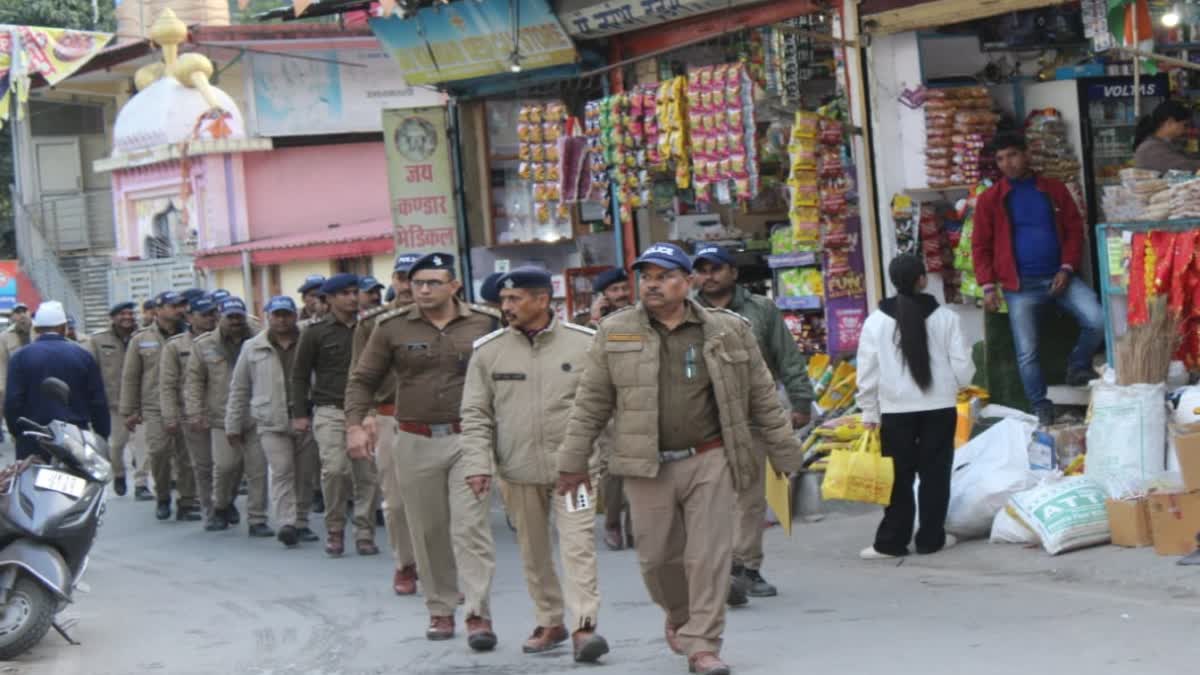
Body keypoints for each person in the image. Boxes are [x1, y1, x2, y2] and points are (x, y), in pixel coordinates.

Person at [555, 243, 805, 675]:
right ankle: (679, 613)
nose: (652, 284)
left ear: (687, 283)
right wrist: (572, 461)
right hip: (644, 463)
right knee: (656, 558)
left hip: (709, 457)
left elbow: (761, 395)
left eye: (664, 275)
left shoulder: (727, 329)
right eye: (646, 276)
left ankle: (703, 644)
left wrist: (786, 453)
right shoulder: (616, 331)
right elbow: (591, 401)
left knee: (708, 556)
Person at [345, 252, 501, 649]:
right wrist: (354, 425)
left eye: (434, 282)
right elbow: (363, 379)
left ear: (455, 285)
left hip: (470, 437)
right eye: (418, 283)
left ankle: (478, 613)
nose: (425, 290)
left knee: (470, 528)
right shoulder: (390, 327)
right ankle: (441, 609)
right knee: (428, 530)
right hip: (412, 438)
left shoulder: (486, 322)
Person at [459, 267, 609, 663]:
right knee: (534, 551)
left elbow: (606, 406)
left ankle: (584, 627)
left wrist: (605, 457)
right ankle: (550, 621)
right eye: (503, 300)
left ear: (543, 300)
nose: (505, 306)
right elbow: (475, 414)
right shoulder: (488, 352)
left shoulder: (586, 345)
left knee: (578, 547)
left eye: (515, 299)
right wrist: (478, 464)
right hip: (518, 471)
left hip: (575, 472)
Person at [692, 244, 813, 601]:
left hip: (753, 415)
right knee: (711, 496)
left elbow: (786, 356)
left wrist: (801, 399)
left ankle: (748, 567)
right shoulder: (685, 313)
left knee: (750, 495)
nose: (709, 275)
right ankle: (720, 566)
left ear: (733, 272)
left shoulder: (761, 310)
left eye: (717, 268)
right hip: (703, 417)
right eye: (703, 269)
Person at [972, 131, 1104, 427]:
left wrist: (1067, 267)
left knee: (1097, 319)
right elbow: (980, 245)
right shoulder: (990, 199)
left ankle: (1078, 365)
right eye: (1001, 158)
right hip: (1019, 286)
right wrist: (988, 285)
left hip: (1061, 277)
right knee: (1026, 351)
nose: (1008, 163)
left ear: (1026, 154)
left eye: (1013, 155)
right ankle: (1040, 405)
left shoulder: (1054, 189)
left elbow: (1073, 230)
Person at [856, 254, 975, 560]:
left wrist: (869, 411)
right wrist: (957, 386)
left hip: (894, 411)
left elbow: (867, 372)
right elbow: (963, 367)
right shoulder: (946, 318)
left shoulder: (876, 322)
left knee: (898, 477)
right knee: (936, 474)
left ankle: (892, 542)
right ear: (922, 280)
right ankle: (931, 539)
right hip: (940, 407)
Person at [293, 274, 380, 557]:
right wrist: (299, 413)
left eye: (355, 292)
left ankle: (365, 531)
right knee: (335, 470)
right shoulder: (314, 333)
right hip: (330, 408)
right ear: (328, 299)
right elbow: (300, 375)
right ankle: (334, 528)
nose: (352, 298)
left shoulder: (372, 327)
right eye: (344, 293)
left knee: (366, 474)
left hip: (366, 409)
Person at [227, 295, 320, 548]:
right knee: (282, 470)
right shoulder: (253, 347)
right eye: (276, 315)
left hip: (305, 416)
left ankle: (302, 521)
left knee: (305, 473)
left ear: (294, 315)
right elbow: (239, 388)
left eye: (286, 314)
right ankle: (287, 522)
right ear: (267, 316)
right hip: (270, 420)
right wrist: (232, 424)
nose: (281, 319)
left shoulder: (308, 340)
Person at [351, 255, 419, 595]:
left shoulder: (457, 321)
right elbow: (360, 377)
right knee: (395, 501)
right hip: (391, 417)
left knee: (447, 503)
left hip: (447, 420)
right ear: (392, 280)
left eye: (416, 278)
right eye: (402, 278)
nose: (408, 286)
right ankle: (406, 563)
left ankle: (443, 568)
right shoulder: (372, 324)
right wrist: (362, 419)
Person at [188, 297, 270, 537]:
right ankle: (221, 506)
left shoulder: (260, 340)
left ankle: (257, 518)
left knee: (257, 469)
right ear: (220, 318)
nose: (235, 321)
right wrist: (195, 412)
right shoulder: (204, 345)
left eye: (238, 316)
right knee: (225, 467)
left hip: (255, 413)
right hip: (220, 415)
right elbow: (193, 382)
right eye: (230, 317)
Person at [121, 291, 199, 521]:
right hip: (154, 406)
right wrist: (130, 410)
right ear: (158, 309)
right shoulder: (141, 339)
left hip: (185, 403)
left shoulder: (192, 336)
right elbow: (131, 376)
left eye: (181, 305)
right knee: (159, 452)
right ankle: (163, 496)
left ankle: (186, 500)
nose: (179, 310)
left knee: (188, 456)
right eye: (174, 306)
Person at [574, 267, 635, 551]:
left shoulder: (640, 315)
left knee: (640, 462)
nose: (621, 294)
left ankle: (635, 526)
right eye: (615, 290)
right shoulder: (586, 324)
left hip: (638, 396)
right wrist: (596, 320)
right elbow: (582, 354)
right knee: (612, 467)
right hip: (607, 401)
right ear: (604, 295)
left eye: (624, 288)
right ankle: (612, 522)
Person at [3, 301, 109, 461]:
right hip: (75, 439)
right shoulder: (82, 356)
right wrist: (102, 434)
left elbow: (12, 402)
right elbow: (98, 401)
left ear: (37, 329)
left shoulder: (20, 357)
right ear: (63, 327)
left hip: (33, 439)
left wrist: (18, 433)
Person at [159, 295, 219, 523]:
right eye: (204, 315)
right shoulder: (176, 346)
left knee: (227, 465)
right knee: (202, 465)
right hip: (192, 413)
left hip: (222, 410)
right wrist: (170, 415)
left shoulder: (222, 341)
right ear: (191, 317)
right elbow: (168, 384)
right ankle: (209, 508)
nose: (210, 318)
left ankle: (224, 500)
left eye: (213, 313)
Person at [90, 301, 147, 497]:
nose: (127, 317)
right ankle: (119, 474)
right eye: (122, 314)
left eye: (130, 313)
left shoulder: (143, 337)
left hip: (141, 400)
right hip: (113, 401)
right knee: (117, 444)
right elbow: (91, 370)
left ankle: (141, 483)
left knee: (141, 444)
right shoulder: (98, 340)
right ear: (113, 317)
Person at [1134, 100, 1200, 172]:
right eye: (1185, 125)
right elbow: (1184, 166)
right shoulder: (1150, 148)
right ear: (1170, 122)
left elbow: (1188, 157)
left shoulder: (1164, 143)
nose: (1186, 129)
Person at [0, 303, 33, 413]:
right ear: (12, 317)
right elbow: (2, 366)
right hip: (17, 384)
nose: (22, 315)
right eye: (18, 312)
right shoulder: (4, 337)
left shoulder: (38, 331)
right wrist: (3, 393)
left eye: (24, 311)